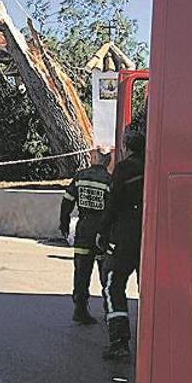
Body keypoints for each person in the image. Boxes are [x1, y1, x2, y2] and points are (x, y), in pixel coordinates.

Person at [101, 126, 146, 360]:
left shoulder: (125, 169)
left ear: (126, 147)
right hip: (152, 233)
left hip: (126, 234)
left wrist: (102, 232)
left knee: (113, 284)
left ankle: (119, 342)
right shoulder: (155, 166)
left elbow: (113, 204)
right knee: (149, 289)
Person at [59, 146, 114, 325]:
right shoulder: (109, 181)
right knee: (105, 274)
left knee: (81, 272)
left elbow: (67, 202)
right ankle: (110, 312)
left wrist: (64, 225)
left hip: (83, 231)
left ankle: (80, 310)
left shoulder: (80, 177)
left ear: (95, 159)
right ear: (108, 161)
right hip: (101, 233)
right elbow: (113, 209)